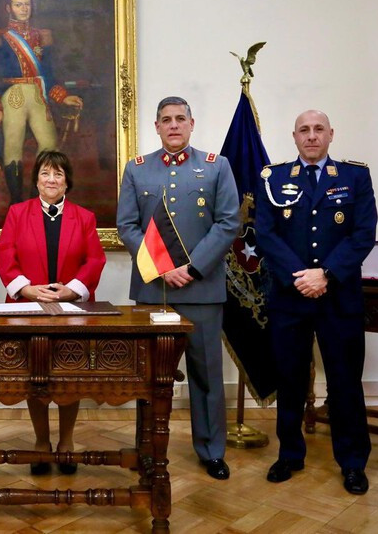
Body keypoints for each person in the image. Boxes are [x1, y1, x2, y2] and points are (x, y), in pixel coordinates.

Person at [117, 96, 240, 480]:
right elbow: (127, 226)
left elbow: (228, 223)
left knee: (206, 376)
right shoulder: (137, 170)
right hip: (155, 292)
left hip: (202, 292)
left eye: (180, 119)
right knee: (149, 376)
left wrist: (193, 267)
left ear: (192, 123)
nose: (173, 125)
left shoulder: (216, 167)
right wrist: (163, 268)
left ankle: (211, 450)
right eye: (166, 120)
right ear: (156, 126)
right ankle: (148, 449)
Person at [256, 110, 377, 494]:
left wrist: (325, 274)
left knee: (344, 381)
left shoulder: (355, 176)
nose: (311, 136)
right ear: (294, 136)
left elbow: (363, 234)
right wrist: (302, 276)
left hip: (338, 296)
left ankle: (353, 462)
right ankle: (290, 454)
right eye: (304, 130)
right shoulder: (274, 178)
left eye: (318, 129)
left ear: (331, 135)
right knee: (289, 379)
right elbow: (266, 233)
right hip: (290, 298)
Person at [0, 150, 105, 475]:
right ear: (37, 180)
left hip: (71, 308)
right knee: (37, 377)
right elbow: (5, 254)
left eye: (58, 174)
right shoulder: (17, 213)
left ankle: (66, 441)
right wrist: (27, 289)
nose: (52, 179)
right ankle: (41, 441)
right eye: (45, 173)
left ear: (67, 181)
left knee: (67, 377)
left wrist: (72, 289)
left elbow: (95, 260)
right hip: (30, 307)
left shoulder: (84, 217)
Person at [0, 0, 83, 204]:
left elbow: (50, 74)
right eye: (18, 5)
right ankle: (16, 203)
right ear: (9, 8)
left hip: (37, 95)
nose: (23, 9)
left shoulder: (42, 37)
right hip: (13, 95)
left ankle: (37, 199)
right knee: (12, 146)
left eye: (26, 4)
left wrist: (62, 97)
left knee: (49, 144)